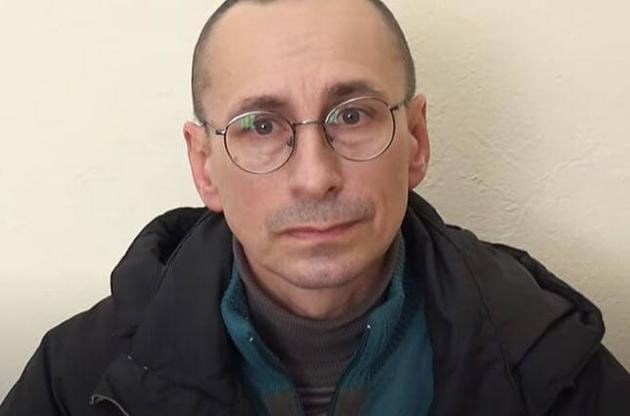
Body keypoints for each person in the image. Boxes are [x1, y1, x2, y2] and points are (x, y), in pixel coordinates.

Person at [2, 0, 629, 415]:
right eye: (260, 125)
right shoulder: (75, 380)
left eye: (352, 116)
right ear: (204, 166)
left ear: (416, 141)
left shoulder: (550, 362)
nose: (314, 178)